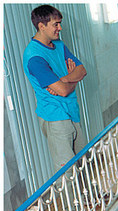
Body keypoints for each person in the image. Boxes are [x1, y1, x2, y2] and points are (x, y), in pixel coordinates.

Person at [23, 5, 88, 174]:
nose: (60, 28)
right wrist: (72, 79)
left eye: (60, 23)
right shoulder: (34, 57)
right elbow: (63, 91)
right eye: (56, 24)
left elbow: (82, 70)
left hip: (71, 111)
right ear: (41, 26)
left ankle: (90, 191)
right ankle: (71, 194)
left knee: (84, 163)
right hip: (55, 117)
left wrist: (64, 79)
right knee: (67, 172)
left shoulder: (59, 45)